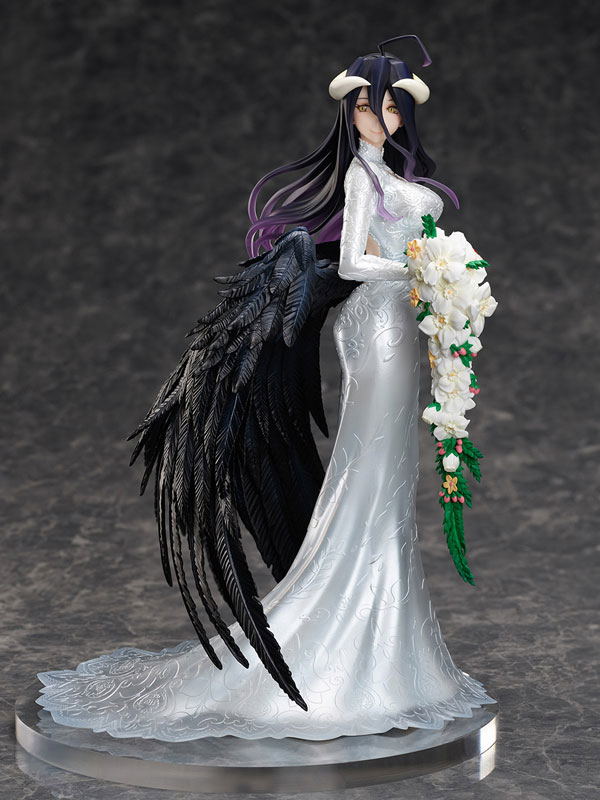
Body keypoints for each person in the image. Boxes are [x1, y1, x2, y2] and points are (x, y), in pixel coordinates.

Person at [36, 35, 496, 741]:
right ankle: (344, 643)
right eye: (367, 106)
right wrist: (422, 268)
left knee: (393, 473)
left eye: (390, 108)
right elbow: (353, 261)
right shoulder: (362, 179)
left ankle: (397, 642)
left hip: (405, 330)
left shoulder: (402, 181)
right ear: (350, 113)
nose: (379, 118)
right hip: (375, 327)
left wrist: (441, 281)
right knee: (371, 466)